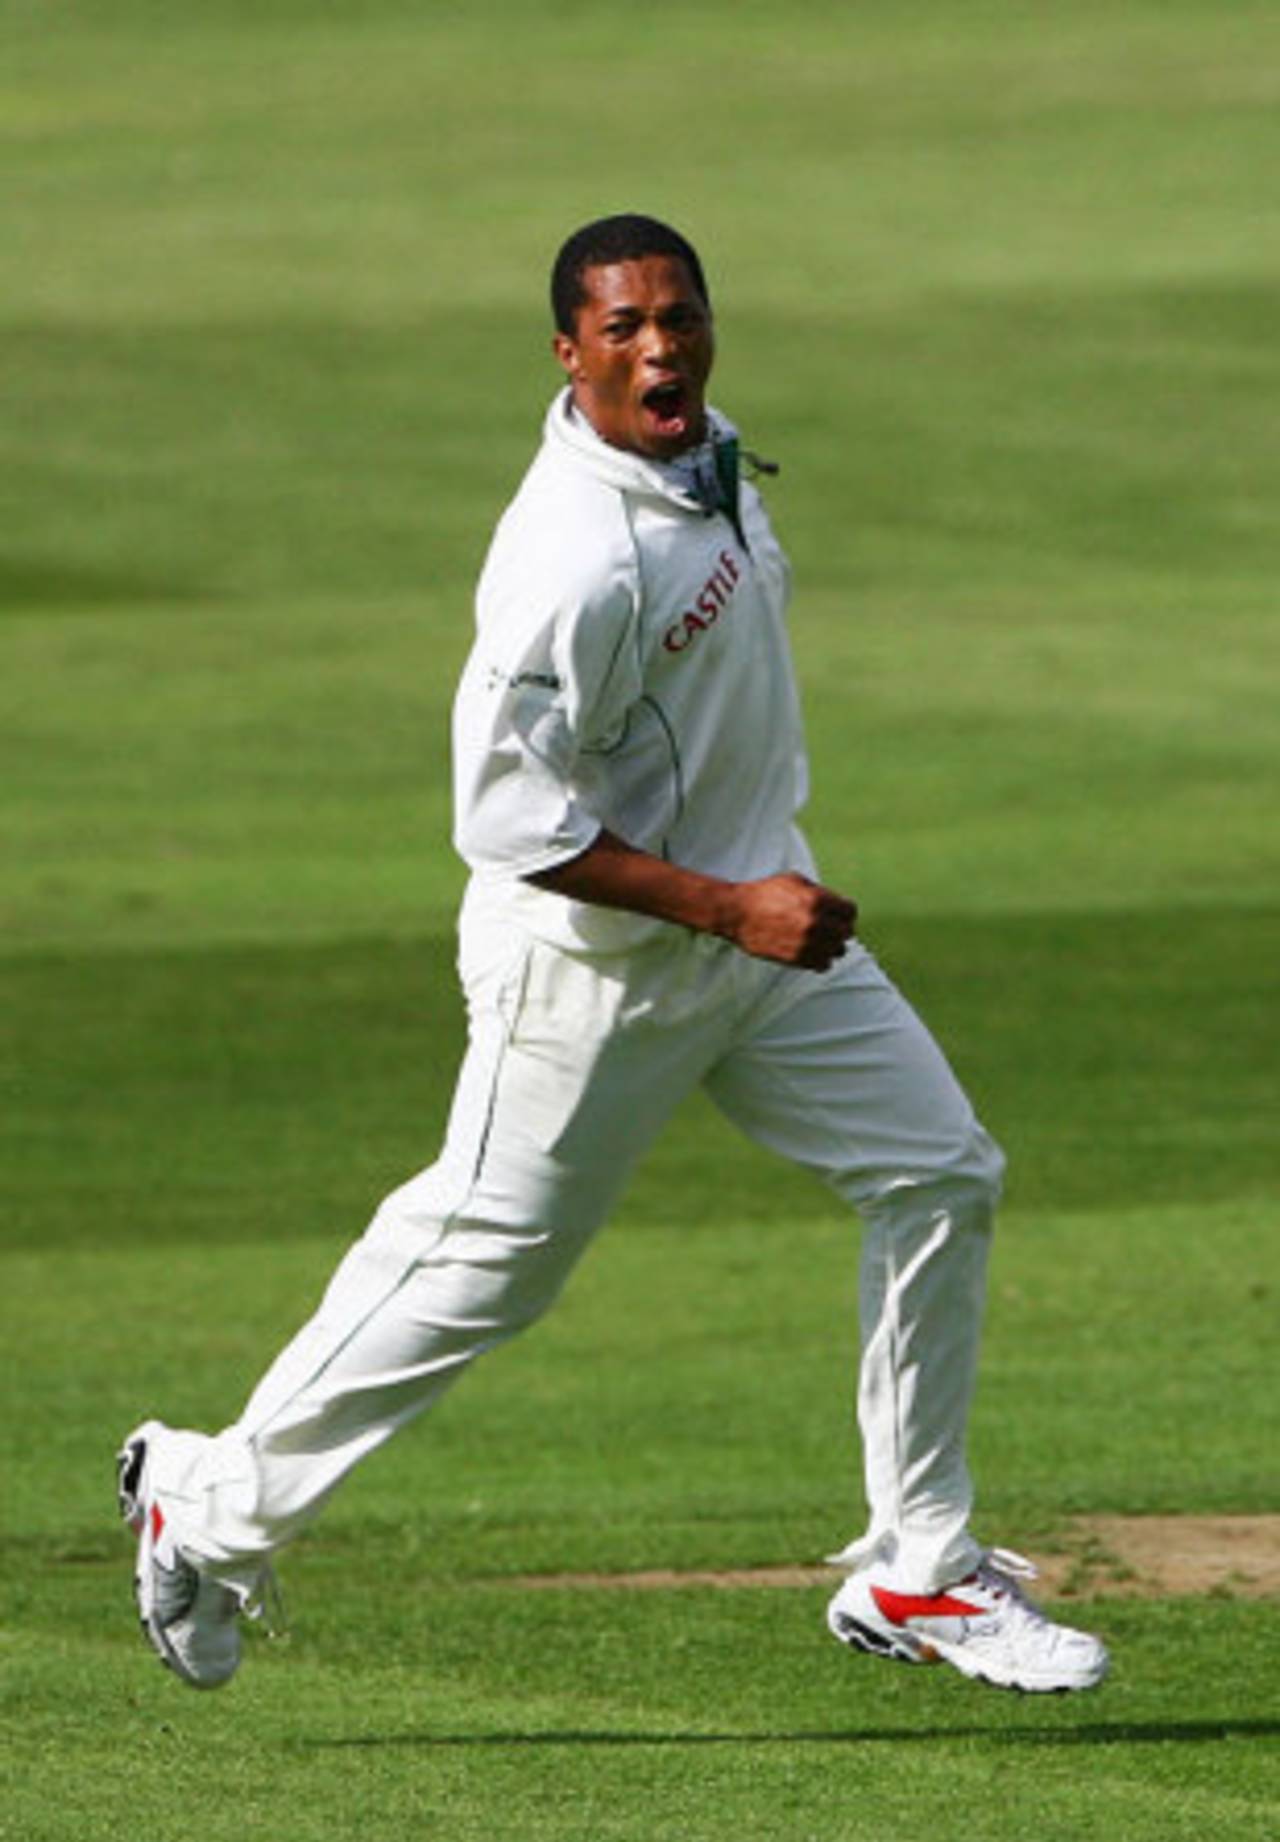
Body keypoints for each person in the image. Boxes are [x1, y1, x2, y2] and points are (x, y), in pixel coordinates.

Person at [117, 214, 1107, 1696]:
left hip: (760, 926)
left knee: (940, 1169)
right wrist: (729, 906)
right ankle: (202, 1502)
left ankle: (920, 1564)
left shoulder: (708, 452)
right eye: (625, 327)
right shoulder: (569, 563)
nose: (662, 348)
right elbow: (506, 824)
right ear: (568, 351)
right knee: (484, 1265)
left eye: (681, 317)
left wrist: (757, 899)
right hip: (595, 966)